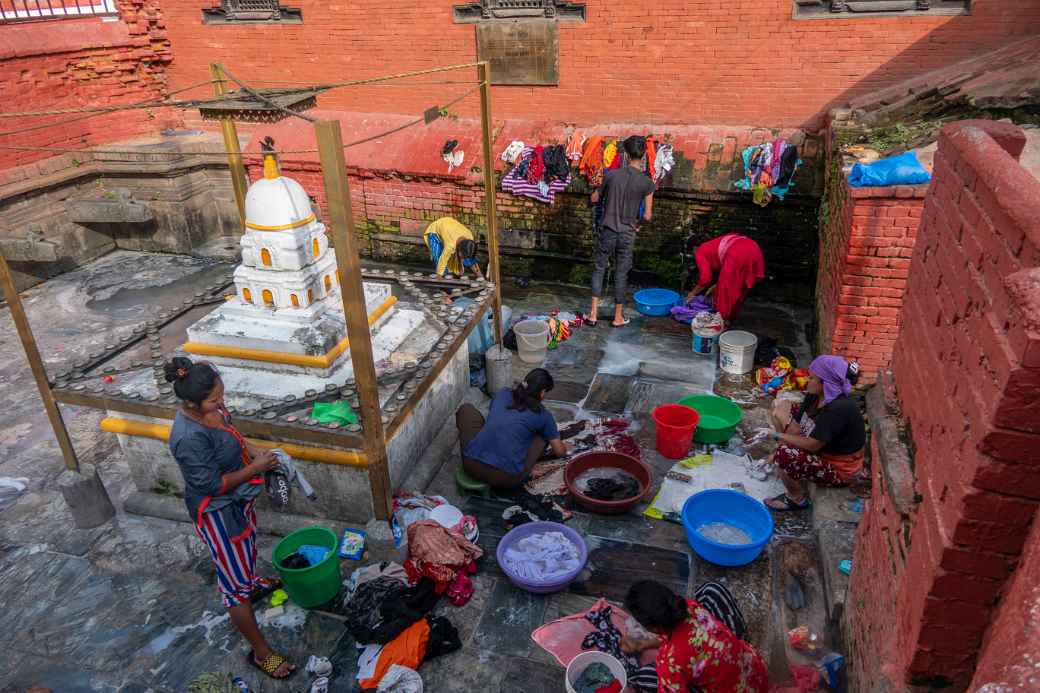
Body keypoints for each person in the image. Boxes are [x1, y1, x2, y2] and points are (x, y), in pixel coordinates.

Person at [164, 357, 297, 680]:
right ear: (191, 404)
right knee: (233, 586)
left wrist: (255, 452)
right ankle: (261, 652)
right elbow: (212, 485)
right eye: (213, 400)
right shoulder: (187, 437)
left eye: (221, 397)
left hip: (238, 501)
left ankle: (251, 581)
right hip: (217, 513)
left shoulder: (215, 411)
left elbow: (234, 436)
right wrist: (256, 468)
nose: (220, 404)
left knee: (247, 549)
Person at [622, 580, 768, 693]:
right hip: (755, 673)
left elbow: (678, 647)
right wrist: (643, 644)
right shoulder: (690, 607)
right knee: (711, 590)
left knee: (643, 677)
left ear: (653, 628)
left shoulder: (669, 663)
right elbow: (679, 636)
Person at [764, 355, 866, 511]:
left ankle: (796, 498)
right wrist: (781, 444)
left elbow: (812, 445)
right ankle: (786, 467)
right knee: (780, 405)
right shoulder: (815, 396)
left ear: (826, 382)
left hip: (839, 469)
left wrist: (778, 438)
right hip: (821, 448)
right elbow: (797, 427)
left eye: (811, 378)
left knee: (785, 454)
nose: (806, 381)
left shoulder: (839, 409)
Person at [455, 368, 568, 488]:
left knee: (466, 409)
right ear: (542, 393)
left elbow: (497, 416)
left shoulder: (502, 393)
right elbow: (560, 452)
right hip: (505, 478)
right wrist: (563, 446)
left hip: (470, 465)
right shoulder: (544, 415)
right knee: (543, 436)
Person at [587, 135, 656, 328]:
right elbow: (648, 216)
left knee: (599, 268)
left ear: (625, 154)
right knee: (621, 273)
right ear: (643, 156)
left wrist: (594, 191)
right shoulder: (647, 183)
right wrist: (638, 224)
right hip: (627, 233)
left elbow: (595, 198)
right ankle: (617, 317)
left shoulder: (611, 175)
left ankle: (593, 314)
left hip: (607, 230)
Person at [686, 234, 765, 323]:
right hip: (754, 248)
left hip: (736, 252)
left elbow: (705, 278)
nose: (694, 254)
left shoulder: (700, 251)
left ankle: (720, 324)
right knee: (742, 288)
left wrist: (692, 293)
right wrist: (716, 286)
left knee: (724, 296)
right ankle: (731, 319)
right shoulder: (714, 244)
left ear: (694, 248)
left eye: (692, 252)